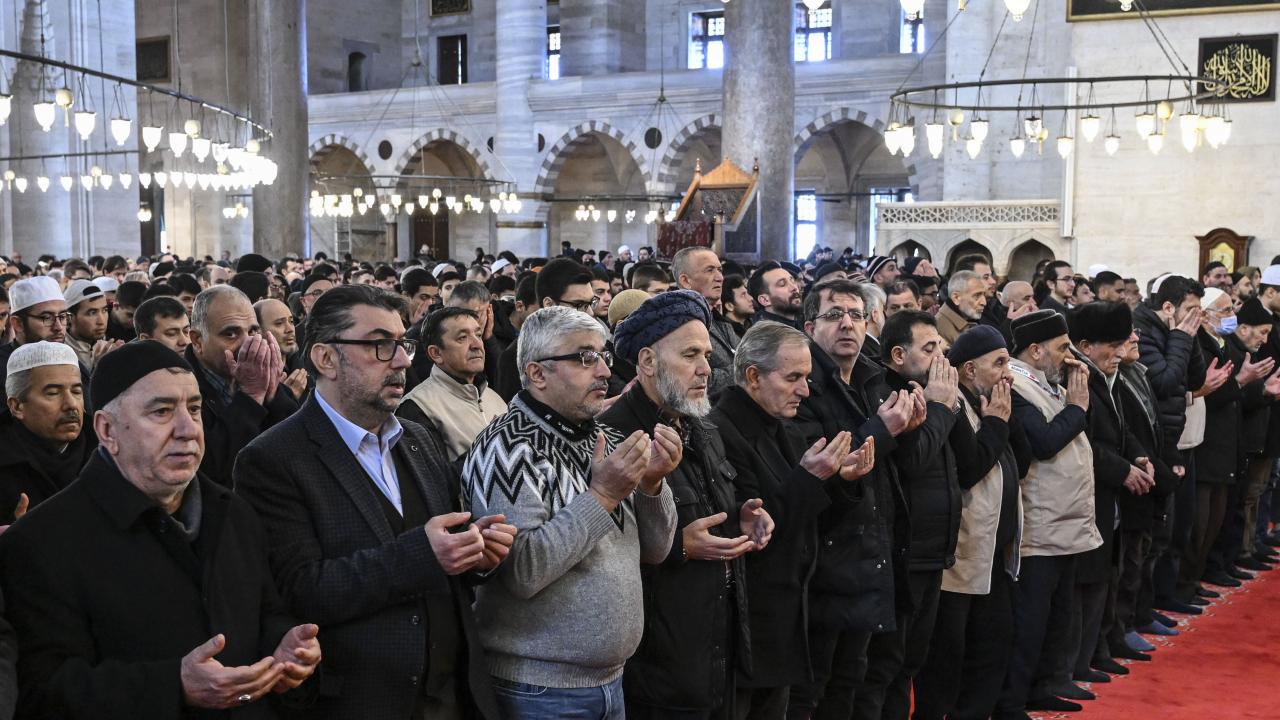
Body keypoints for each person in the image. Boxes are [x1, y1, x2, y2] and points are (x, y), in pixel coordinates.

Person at [0, 341, 321, 719]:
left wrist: (284, 648)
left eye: (196, 409)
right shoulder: (42, 540)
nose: (188, 429)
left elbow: (266, 611)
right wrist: (174, 685)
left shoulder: (234, 513)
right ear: (107, 429)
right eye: (162, 411)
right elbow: (45, 691)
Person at [235, 285, 510, 719]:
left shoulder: (417, 438)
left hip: (451, 696)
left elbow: (444, 558)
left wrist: (476, 554)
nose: (402, 360)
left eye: (403, 344)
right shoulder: (274, 459)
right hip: (364, 699)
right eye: (381, 345)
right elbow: (302, 590)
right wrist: (425, 552)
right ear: (326, 358)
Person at [461, 305, 678, 719]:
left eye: (603, 356)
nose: (602, 371)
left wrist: (652, 484)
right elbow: (522, 572)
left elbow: (656, 550)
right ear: (537, 373)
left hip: (611, 680)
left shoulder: (607, 436)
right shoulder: (509, 448)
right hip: (539, 687)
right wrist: (603, 495)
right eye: (583, 358)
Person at [602, 290, 775, 719]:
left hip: (718, 646)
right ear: (646, 362)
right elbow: (596, 555)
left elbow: (712, 508)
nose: (706, 369)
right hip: (659, 663)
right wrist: (679, 547)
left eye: (708, 354)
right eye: (691, 354)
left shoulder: (700, 422)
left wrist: (744, 515)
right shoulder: (612, 436)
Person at [712, 321, 869, 718]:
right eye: (793, 377)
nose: (804, 390)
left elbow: (808, 520)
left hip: (785, 614)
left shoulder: (781, 426)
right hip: (748, 622)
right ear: (753, 376)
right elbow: (757, 531)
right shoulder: (723, 431)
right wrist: (810, 477)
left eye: (807, 378)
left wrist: (840, 482)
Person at [788, 279, 912, 720]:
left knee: (852, 681)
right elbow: (825, 462)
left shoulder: (871, 378)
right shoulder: (803, 386)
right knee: (813, 690)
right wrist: (884, 429)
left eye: (857, 315)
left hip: (867, 555)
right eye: (834, 314)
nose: (847, 324)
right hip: (823, 561)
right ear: (809, 326)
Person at [857, 310, 967, 720]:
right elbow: (914, 461)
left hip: (932, 549)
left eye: (941, 344)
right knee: (887, 665)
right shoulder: (890, 394)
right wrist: (941, 407)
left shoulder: (930, 389)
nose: (942, 355)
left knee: (910, 661)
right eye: (930, 347)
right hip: (903, 550)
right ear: (898, 355)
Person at [994, 310, 1101, 720]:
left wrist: (1073, 401)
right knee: (1029, 624)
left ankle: (1041, 687)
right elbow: (1043, 442)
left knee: (1055, 618)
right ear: (1035, 351)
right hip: (1038, 527)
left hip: (1064, 524)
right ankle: (1011, 703)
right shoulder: (1016, 386)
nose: (1070, 356)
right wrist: (1077, 407)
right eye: (1061, 348)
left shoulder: (1047, 382)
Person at [914, 325, 1025, 720]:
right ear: (968, 371)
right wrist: (996, 422)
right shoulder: (954, 407)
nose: (1007, 373)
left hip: (993, 547)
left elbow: (1022, 462)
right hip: (960, 553)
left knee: (993, 644)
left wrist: (1003, 417)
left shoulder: (982, 401)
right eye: (999, 364)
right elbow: (969, 468)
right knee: (950, 654)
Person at [1068, 302, 1153, 688]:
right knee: (1084, 585)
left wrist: (1138, 453)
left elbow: (1118, 427)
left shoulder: (1107, 373)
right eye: (1113, 345)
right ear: (1086, 344)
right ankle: (1073, 665)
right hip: (1087, 498)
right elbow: (1083, 439)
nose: (1121, 352)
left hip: (1108, 499)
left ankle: (1094, 654)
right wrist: (1123, 470)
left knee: (1106, 577)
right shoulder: (1078, 377)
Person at [1131, 275, 1211, 616]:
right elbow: (1163, 382)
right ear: (1167, 307)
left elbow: (1194, 379)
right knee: (1148, 541)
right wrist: (1181, 337)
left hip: (1172, 441)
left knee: (1170, 533)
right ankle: (1136, 614)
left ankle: (1153, 606)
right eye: (1191, 310)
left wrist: (1187, 338)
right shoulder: (1146, 331)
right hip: (1151, 445)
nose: (1197, 316)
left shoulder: (1177, 332)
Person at [186, 286, 299, 487]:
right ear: (197, 340)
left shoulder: (263, 376)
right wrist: (251, 396)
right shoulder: (180, 386)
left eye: (253, 331)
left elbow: (299, 446)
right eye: (230, 334)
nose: (247, 343)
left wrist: (274, 393)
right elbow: (215, 471)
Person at [398, 307, 507, 462]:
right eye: (462, 338)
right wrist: (491, 445)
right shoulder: (418, 407)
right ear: (436, 353)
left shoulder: (495, 398)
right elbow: (435, 480)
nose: (477, 344)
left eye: (478, 335)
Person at [0, 342, 93, 522]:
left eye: (76, 391)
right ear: (17, 406)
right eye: (52, 393)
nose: (71, 404)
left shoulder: (109, 452)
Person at [493, 259, 596, 402]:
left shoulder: (595, 345)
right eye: (579, 305)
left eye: (591, 303)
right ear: (549, 305)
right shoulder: (514, 358)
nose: (590, 313)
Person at [1, 276, 90, 406]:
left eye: (63, 317)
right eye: (46, 318)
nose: (58, 327)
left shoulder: (70, 360)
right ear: (18, 323)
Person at [672, 247, 738, 398]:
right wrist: (745, 368)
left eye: (720, 270)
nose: (720, 277)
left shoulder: (716, 318)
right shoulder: (679, 324)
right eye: (710, 270)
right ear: (686, 281)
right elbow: (697, 381)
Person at [61, 280, 121, 372]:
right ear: (69, 317)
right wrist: (98, 369)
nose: (101, 321)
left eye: (104, 310)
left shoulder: (108, 348)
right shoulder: (59, 355)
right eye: (92, 313)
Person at [747, 262, 804, 330]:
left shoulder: (799, 322)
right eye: (782, 284)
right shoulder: (766, 336)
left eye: (792, 280)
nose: (794, 287)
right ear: (765, 300)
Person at [936, 270, 986, 344]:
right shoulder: (939, 328)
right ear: (956, 298)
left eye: (983, 294)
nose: (984, 302)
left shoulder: (966, 321)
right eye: (977, 296)